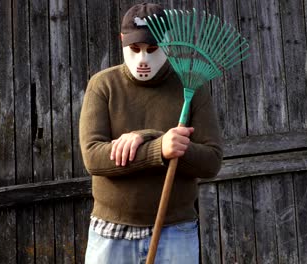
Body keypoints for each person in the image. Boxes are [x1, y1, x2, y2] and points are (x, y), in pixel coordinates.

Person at [79, 3, 223, 263]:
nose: (143, 59)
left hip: (175, 231)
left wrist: (169, 144)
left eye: (152, 49)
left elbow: (212, 161)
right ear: (122, 41)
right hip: (110, 232)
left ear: (168, 43)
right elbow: (93, 157)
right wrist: (157, 146)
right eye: (134, 49)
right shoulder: (103, 85)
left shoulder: (191, 89)